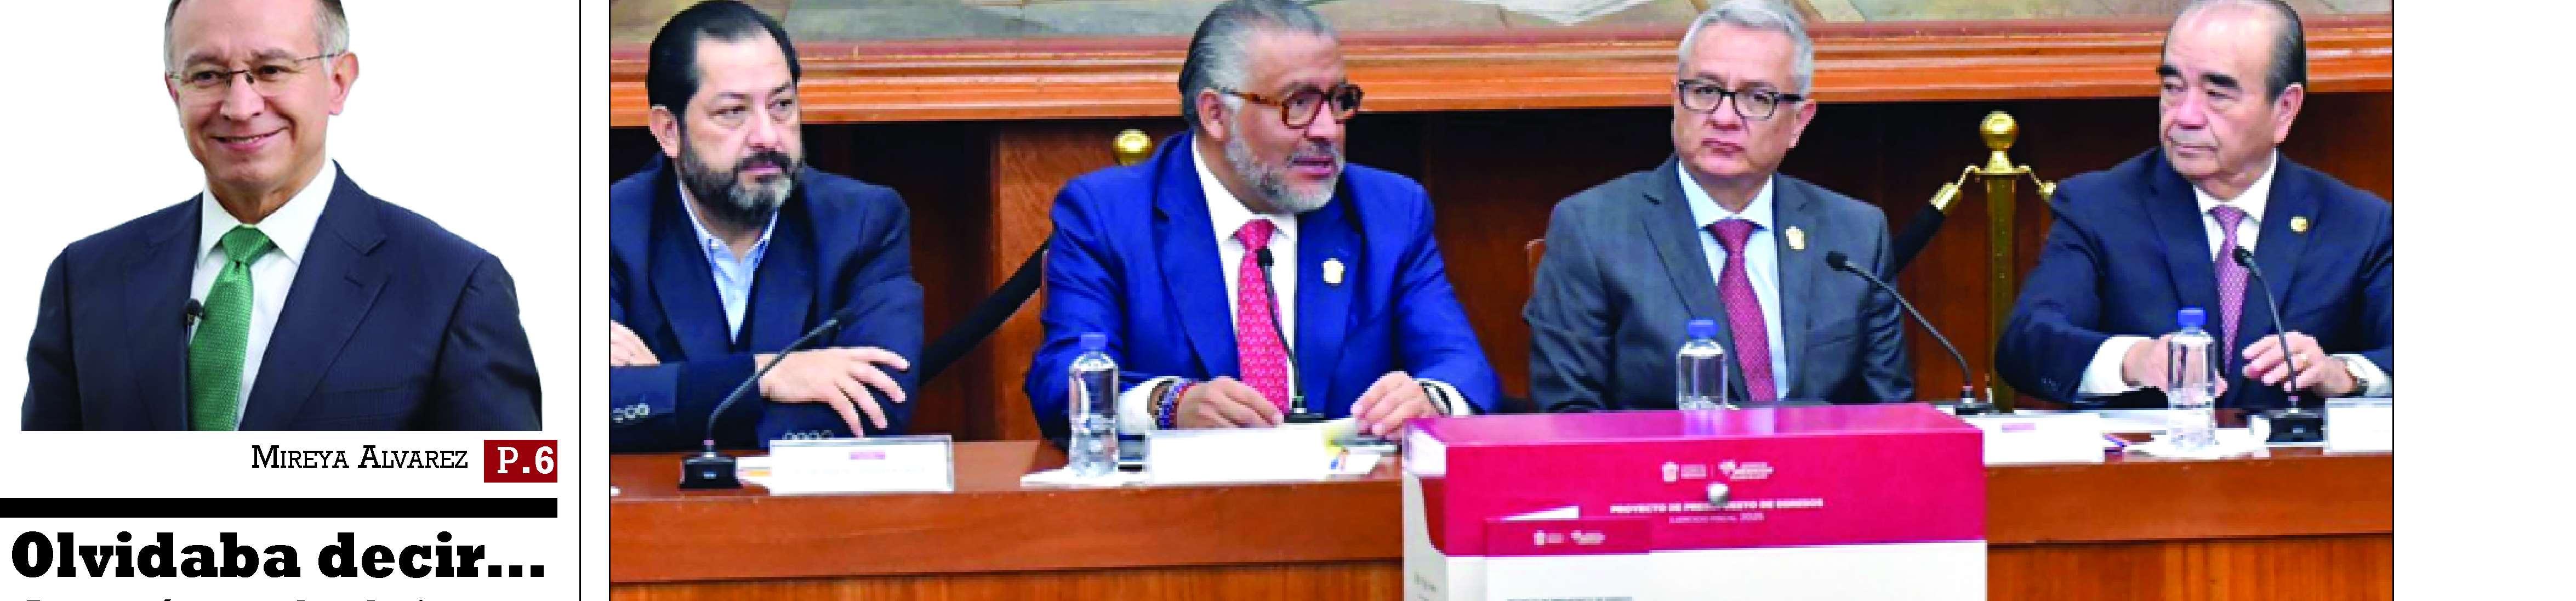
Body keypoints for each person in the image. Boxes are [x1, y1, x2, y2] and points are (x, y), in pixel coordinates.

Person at [22, 0, 540, 430]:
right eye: (207, 75)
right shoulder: (84, 279)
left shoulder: (454, 287)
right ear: (175, 92)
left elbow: (513, 495)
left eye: (271, 70)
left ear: (338, 81)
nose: (240, 106)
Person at [1027, 0, 1501, 441]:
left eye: (1339, 100)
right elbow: (1062, 381)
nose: (1328, 130)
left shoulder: (1389, 210)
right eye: (1298, 104)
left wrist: (1431, 399)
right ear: (1216, 114)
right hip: (1179, 497)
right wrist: (1168, 405)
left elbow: (1463, 368)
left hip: (1349, 495)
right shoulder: (1108, 215)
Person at [1996, 0, 2392, 410]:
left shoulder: (2358, 224)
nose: (2185, 116)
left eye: (2217, 95)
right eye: (2173, 88)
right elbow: (2027, 343)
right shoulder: (2099, 207)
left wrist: (2344, 374)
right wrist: (2134, 360)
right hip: (2153, 453)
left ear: (2284, 109)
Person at [1525, 0, 1912, 412]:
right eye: (1705, 92)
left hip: (1819, 457)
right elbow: (1570, 415)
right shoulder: (1593, 230)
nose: (1725, 118)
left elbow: (1890, 416)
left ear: (1799, 122)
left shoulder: (1855, 234)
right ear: (1676, 100)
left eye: (1758, 98)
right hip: (1664, 456)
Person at [608, 0, 922, 450]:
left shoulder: (862, 222)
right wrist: (768, 375)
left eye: (782, 106)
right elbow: (582, 407)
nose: (767, 136)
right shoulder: (608, 228)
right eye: (732, 112)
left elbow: (880, 406)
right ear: (669, 131)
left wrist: (674, 394)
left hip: (807, 498)